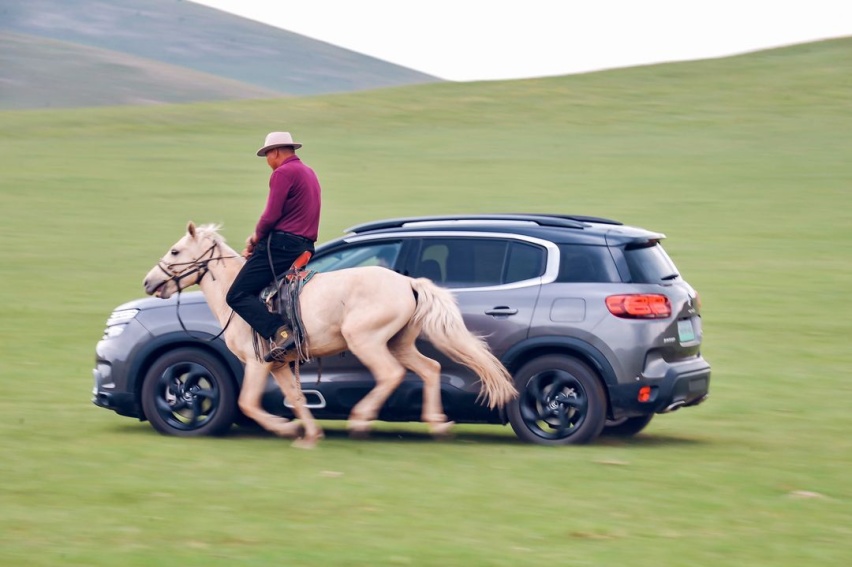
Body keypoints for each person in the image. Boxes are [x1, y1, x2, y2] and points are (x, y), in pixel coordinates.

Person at [226, 131, 322, 362]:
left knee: (237, 294)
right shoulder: (308, 172)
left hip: (283, 245)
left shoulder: (283, 172)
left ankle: (281, 332)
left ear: (275, 152)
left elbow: (271, 215)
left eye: (267, 156)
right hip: (305, 245)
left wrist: (256, 238)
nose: (268, 162)